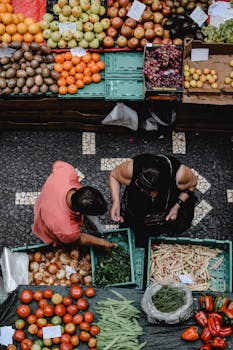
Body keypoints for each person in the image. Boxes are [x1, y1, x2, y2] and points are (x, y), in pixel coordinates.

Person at [109, 154, 197, 246]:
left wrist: (177, 206)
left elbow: (192, 184)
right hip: (137, 203)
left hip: (168, 202)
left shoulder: (180, 175)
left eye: (149, 191)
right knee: (136, 225)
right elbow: (114, 176)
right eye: (140, 186)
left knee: (178, 223)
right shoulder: (130, 169)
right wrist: (116, 202)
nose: (142, 190)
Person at [32, 160, 116, 251]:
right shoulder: (67, 230)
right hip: (46, 222)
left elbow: (56, 163)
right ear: (79, 213)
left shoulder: (68, 172)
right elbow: (78, 239)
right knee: (63, 241)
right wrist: (103, 243)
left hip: (45, 200)